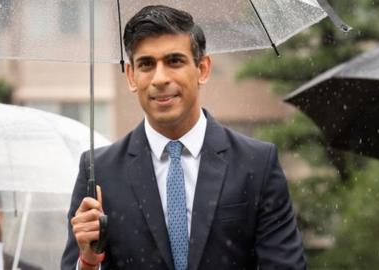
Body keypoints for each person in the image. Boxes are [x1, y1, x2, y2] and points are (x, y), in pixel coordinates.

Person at [62, 5, 306, 270]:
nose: (160, 78)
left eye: (174, 61)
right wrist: (87, 262)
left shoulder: (256, 163)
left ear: (202, 68)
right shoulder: (100, 171)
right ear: (132, 76)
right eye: (146, 64)